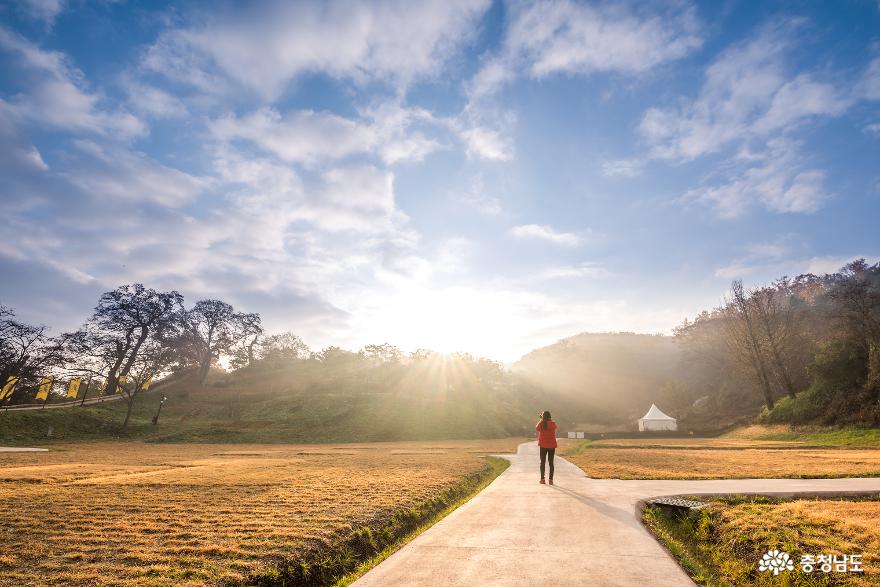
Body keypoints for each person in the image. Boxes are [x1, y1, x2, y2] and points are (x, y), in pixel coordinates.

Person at [535, 410, 557, 485]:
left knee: (542, 462)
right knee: (551, 463)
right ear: (550, 416)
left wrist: (541, 419)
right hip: (552, 446)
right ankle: (551, 480)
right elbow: (553, 426)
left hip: (543, 445)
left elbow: (537, 428)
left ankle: (542, 479)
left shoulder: (541, 424)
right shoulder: (553, 424)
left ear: (543, 416)